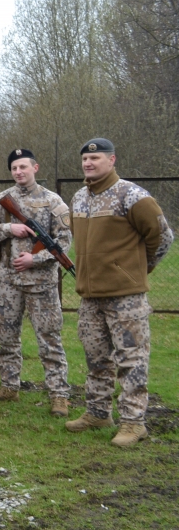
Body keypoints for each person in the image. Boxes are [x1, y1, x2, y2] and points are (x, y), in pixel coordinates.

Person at [65, 138, 174, 447]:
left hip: (125, 297)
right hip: (89, 296)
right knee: (96, 358)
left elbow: (163, 237)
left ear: (111, 160)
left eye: (95, 158)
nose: (89, 163)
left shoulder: (133, 196)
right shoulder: (79, 199)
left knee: (131, 359)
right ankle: (98, 412)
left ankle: (133, 422)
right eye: (85, 159)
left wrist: (138, 269)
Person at [0, 149, 72, 415]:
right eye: (14, 168)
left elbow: (63, 244)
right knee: (6, 338)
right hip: (8, 283)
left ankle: (59, 395)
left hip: (42, 284)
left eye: (23, 167)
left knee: (49, 340)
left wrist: (35, 259)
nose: (19, 172)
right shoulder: (0, 201)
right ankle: (9, 386)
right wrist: (8, 228)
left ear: (35, 168)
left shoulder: (53, 202)